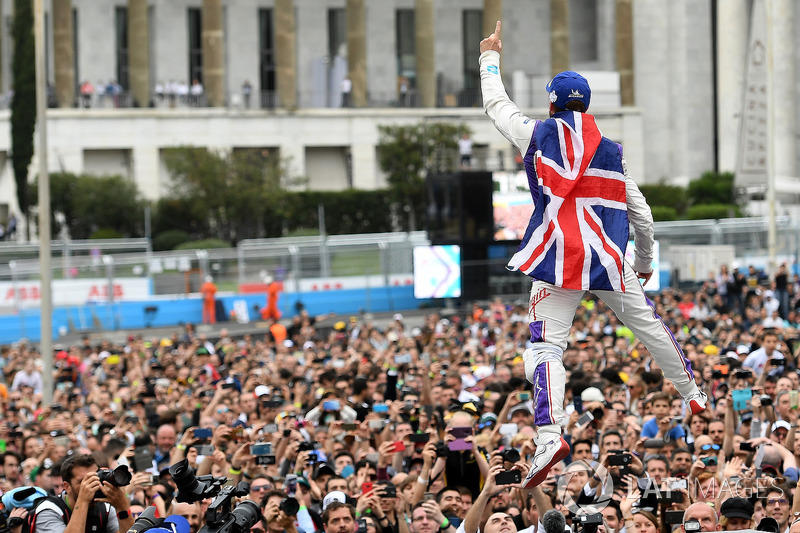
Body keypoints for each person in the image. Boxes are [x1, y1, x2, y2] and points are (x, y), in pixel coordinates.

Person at [478, 20, 707, 489]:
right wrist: (643, 263)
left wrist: (490, 58)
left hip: (556, 263)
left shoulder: (534, 133)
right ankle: (693, 392)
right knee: (647, 325)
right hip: (608, 261)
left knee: (545, 347)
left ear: (552, 103)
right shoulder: (611, 151)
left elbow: (496, 106)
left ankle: (549, 435)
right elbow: (641, 215)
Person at [30, 454, 134, 533]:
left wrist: (122, 507)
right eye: (83, 481)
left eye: (95, 478)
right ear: (67, 487)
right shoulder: (49, 510)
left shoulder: (105, 508)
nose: (91, 484)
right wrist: (83, 501)